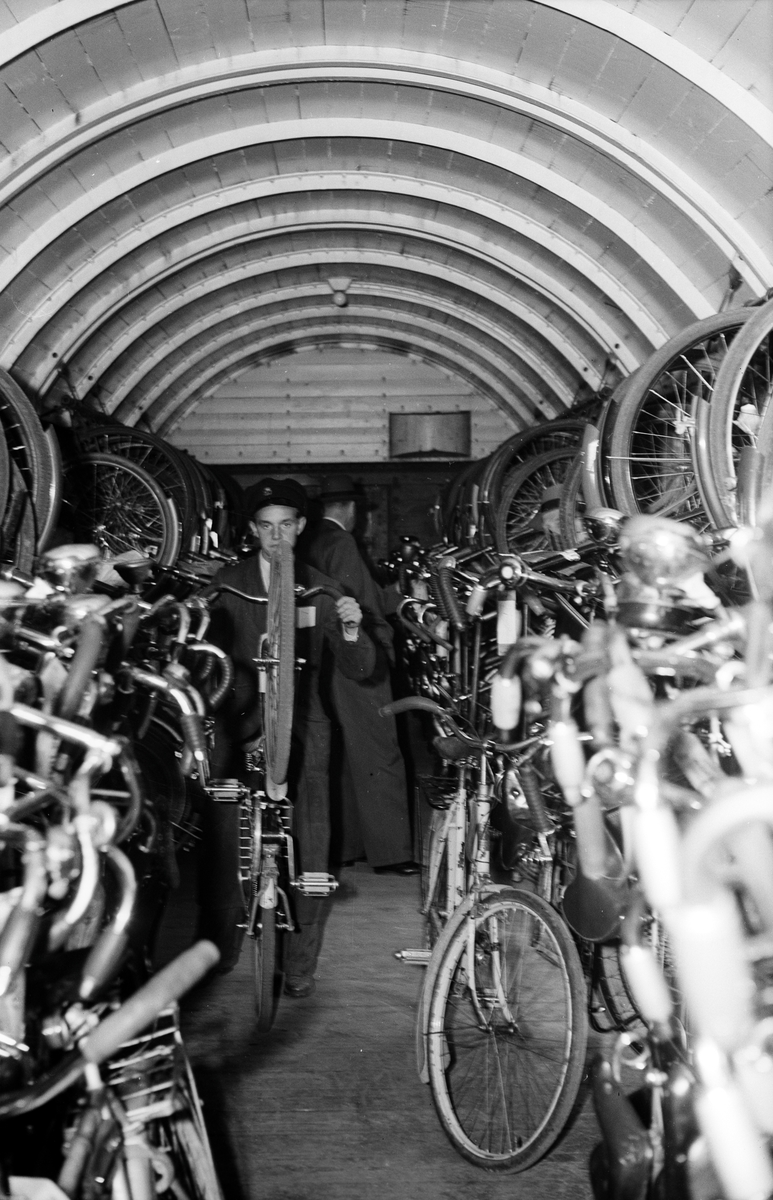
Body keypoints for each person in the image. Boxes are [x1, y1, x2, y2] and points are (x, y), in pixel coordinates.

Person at [200, 477, 376, 997]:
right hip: (238, 721)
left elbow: (361, 668)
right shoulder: (226, 585)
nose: (276, 537)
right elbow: (201, 656)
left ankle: (299, 965)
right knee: (223, 841)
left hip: (303, 726)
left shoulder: (321, 588)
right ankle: (218, 948)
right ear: (254, 530)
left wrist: (351, 629)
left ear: (300, 528)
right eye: (266, 527)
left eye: (285, 526)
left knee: (312, 840)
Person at [302, 474, 416, 874]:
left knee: (348, 756)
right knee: (380, 751)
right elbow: (362, 604)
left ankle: (349, 847)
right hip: (357, 656)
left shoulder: (312, 540)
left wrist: (399, 595)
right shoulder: (343, 542)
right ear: (351, 509)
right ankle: (392, 854)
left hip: (325, 659)